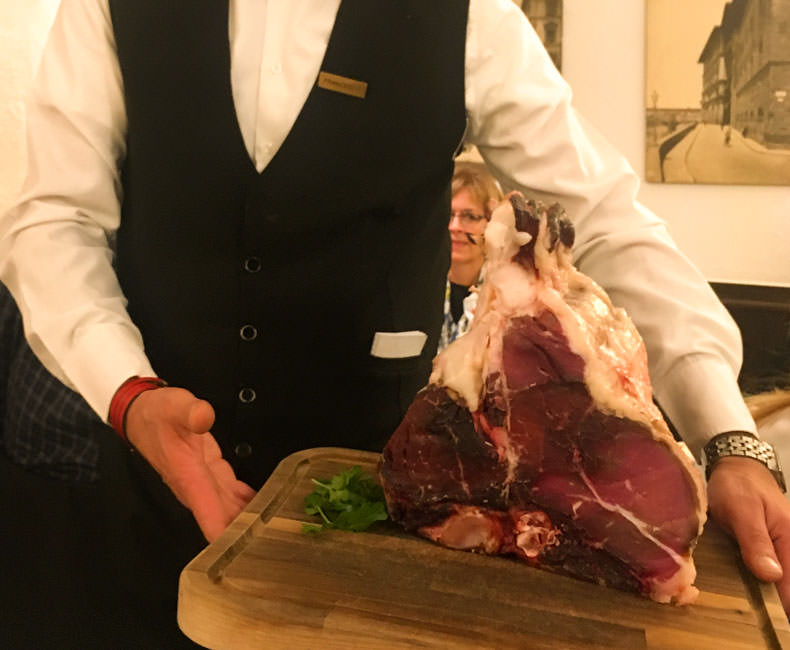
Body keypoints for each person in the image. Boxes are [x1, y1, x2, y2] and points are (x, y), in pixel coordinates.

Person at [2, 1, 789, 645]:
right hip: (129, 503)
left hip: (367, 525)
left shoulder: (470, 15)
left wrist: (729, 432)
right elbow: (52, 222)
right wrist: (129, 392)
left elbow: (610, 221)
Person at [439, 163, 503, 351]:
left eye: (470, 216)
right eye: (449, 215)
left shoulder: (505, 296)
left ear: (492, 224)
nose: (455, 226)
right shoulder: (421, 285)